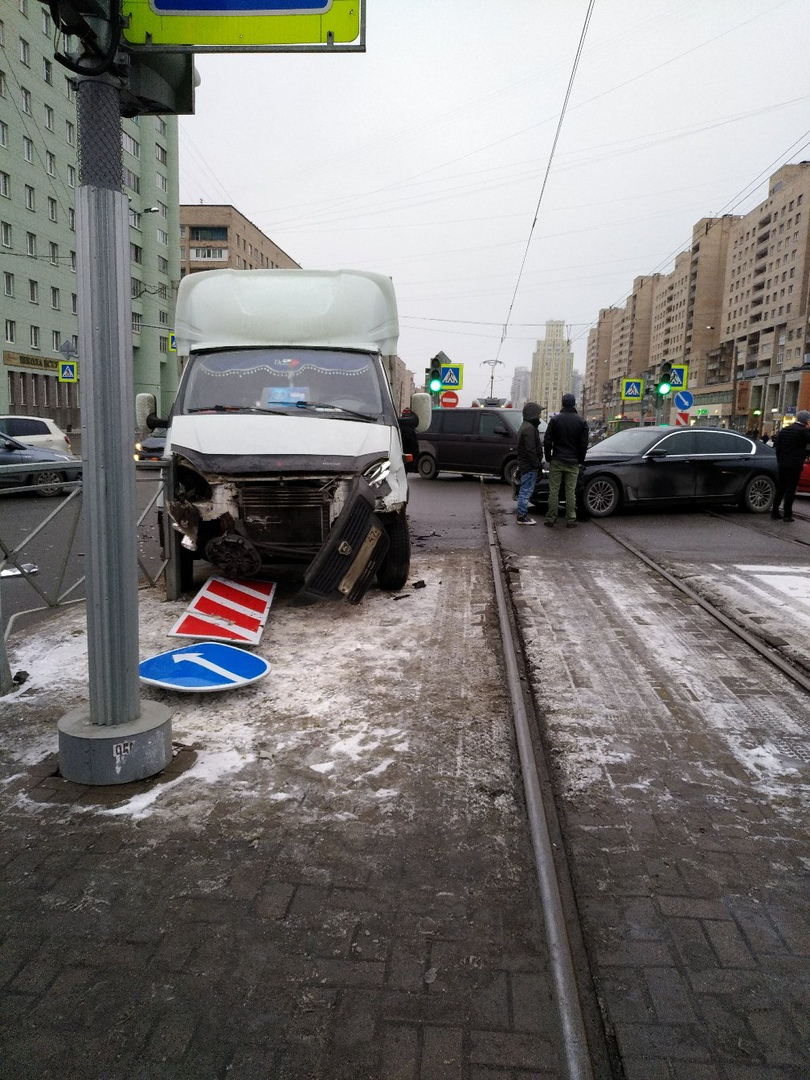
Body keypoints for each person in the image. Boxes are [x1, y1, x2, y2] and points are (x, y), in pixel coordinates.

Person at [543, 393, 589, 528]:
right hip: (573, 461)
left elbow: (547, 440)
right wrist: (580, 460)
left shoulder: (555, 420)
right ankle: (570, 519)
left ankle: (551, 518)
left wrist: (549, 457)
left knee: (554, 491)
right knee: (570, 491)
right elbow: (584, 444)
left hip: (557, 459)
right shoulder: (581, 422)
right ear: (574, 404)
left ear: (562, 403)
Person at [771, 410, 810, 522]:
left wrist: (780, 460)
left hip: (782, 463)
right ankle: (787, 514)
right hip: (794, 465)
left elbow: (778, 448)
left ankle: (775, 511)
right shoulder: (803, 432)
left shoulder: (784, 430)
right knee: (790, 490)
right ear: (806, 420)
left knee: (780, 488)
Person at [515, 402, 544, 525]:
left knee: (525, 490)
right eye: (538, 413)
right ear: (533, 414)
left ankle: (522, 515)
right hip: (529, 466)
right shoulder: (529, 429)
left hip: (526, 465)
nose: (540, 416)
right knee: (525, 491)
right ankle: (521, 516)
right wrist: (537, 465)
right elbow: (530, 450)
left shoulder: (527, 427)